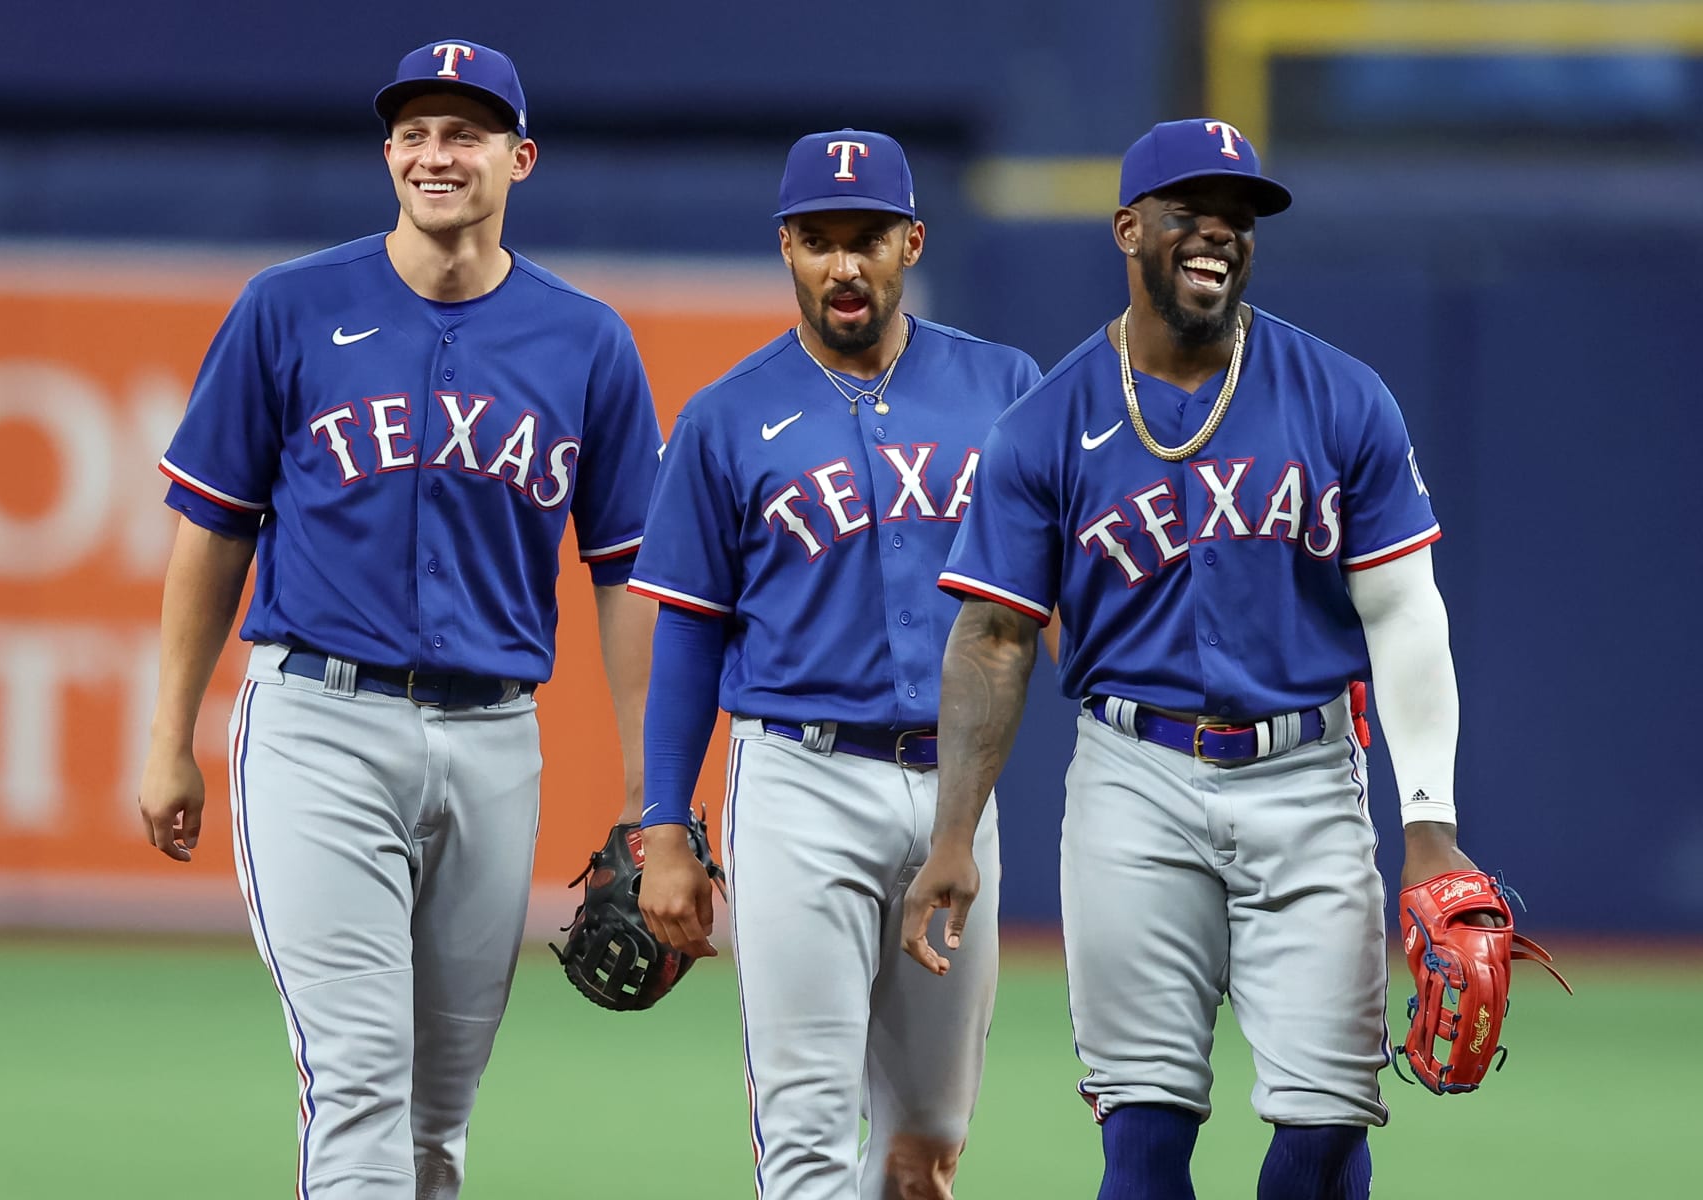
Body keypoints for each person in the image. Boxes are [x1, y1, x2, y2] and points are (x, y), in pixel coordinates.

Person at [903, 117, 1482, 1200]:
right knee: (1145, 1126)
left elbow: (1406, 614)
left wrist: (1431, 829)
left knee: (1327, 1125)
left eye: (1240, 218)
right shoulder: (1046, 423)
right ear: (1129, 227)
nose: (1219, 234)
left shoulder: (1341, 395)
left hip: (1308, 775)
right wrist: (952, 834)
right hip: (1135, 780)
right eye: (1190, 214)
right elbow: (993, 638)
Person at [136, 38, 662, 1199]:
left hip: (491, 740)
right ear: (388, 156)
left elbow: (627, 576)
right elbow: (212, 530)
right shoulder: (289, 308)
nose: (437, 153)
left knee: (438, 1117)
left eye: (465, 133)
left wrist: (650, 792)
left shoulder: (588, 342)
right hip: (320, 726)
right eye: (416, 133)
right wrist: (168, 730)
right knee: (360, 1080)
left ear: (518, 158)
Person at [627, 129, 1041, 1200]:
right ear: (787, 250)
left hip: (956, 793)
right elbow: (688, 633)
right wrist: (663, 825)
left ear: (911, 240)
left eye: (867, 239)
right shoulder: (725, 416)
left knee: (927, 1147)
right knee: (807, 1137)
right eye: (819, 240)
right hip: (799, 782)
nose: (844, 265)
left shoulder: (1004, 386)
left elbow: (1061, 590)